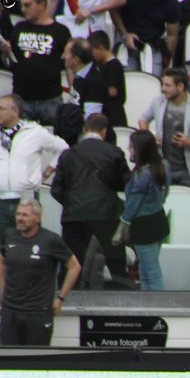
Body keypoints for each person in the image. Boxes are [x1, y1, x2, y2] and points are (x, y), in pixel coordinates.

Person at [0, 95, 66, 269]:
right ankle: (4, 291)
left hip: (25, 198)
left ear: (15, 111)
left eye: (1, 108)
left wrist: (47, 173)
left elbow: (63, 149)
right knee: (2, 247)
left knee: (29, 245)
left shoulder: (34, 132)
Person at [52, 114, 130, 287]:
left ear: (84, 130)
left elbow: (56, 190)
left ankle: (67, 302)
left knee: (72, 264)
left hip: (74, 217)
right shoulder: (114, 152)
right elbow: (126, 185)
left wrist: (73, 203)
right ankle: (123, 306)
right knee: (116, 264)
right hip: (107, 215)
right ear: (104, 132)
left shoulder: (67, 154)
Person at [0, 199, 81, 345]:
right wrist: (2, 291)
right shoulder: (10, 235)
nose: (20, 218)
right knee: (8, 360)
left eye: (25, 215)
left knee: (35, 361)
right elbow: (2, 262)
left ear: (38, 218)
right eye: (18, 214)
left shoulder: (50, 240)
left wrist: (60, 299)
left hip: (38, 312)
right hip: (10, 310)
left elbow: (75, 267)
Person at [136, 66, 190, 188]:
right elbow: (143, 119)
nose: (163, 89)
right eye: (163, 85)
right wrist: (149, 137)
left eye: (168, 85)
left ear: (180, 87)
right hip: (162, 168)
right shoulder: (159, 101)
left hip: (188, 172)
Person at [5, 0, 73, 126]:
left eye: (28, 5)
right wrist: (6, 52)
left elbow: (70, 65)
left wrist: (73, 91)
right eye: (22, 5)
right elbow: (9, 63)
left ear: (42, 4)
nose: (23, 9)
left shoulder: (60, 31)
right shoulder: (19, 28)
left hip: (50, 98)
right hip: (22, 97)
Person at [119, 129, 171, 290]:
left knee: (151, 272)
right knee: (145, 269)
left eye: (131, 146)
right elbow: (165, 194)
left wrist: (122, 226)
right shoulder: (164, 165)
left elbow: (133, 205)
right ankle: (147, 308)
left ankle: (157, 309)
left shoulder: (141, 174)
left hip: (144, 227)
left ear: (140, 149)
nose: (129, 149)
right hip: (159, 221)